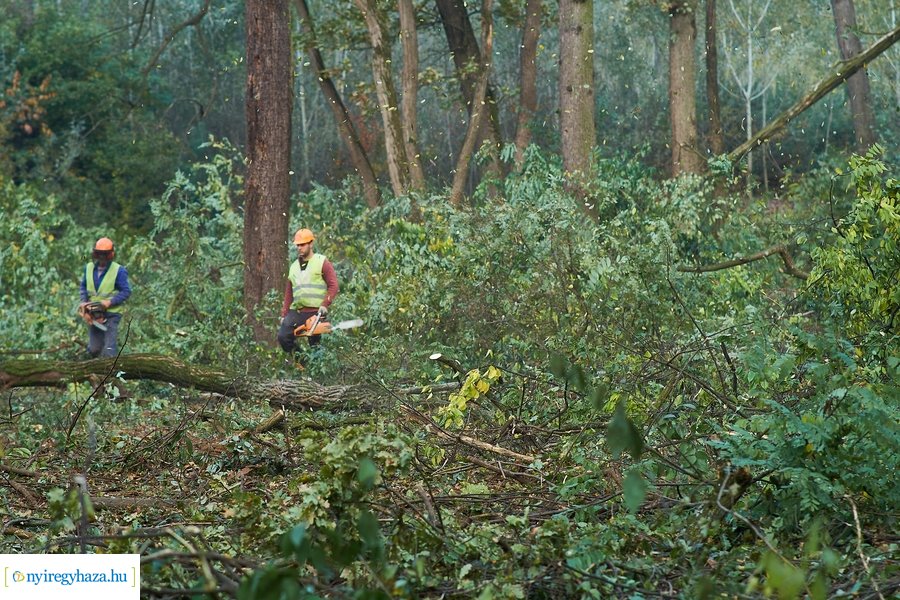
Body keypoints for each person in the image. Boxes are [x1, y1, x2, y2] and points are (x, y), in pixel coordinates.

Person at [277, 228, 339, 359]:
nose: (300, 248)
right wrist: (284, 313)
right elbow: (289, 293)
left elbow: (333, 285)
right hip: (297, 312)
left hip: (316, 313)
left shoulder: (321, 262)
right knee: (283, 337)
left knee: (316, 346)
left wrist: (325, 304)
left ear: (311, 244)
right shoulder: (293, 267)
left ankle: (318, 371)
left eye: (303, 244)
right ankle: (303, 361)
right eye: (298, 245)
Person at [79, 237, 132, 358]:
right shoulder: (88, 268)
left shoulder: (119, 270)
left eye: (105, 254)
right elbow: (83, 286)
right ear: (95, 254)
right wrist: (84, 304)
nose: (102, 257)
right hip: (93, 313)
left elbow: (126, 291)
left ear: (110, 255)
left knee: (109, 350)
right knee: (93, 349)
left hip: (111, 314)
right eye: (100, 254)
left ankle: (111, 374)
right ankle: (97, 372)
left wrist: (110, 302)